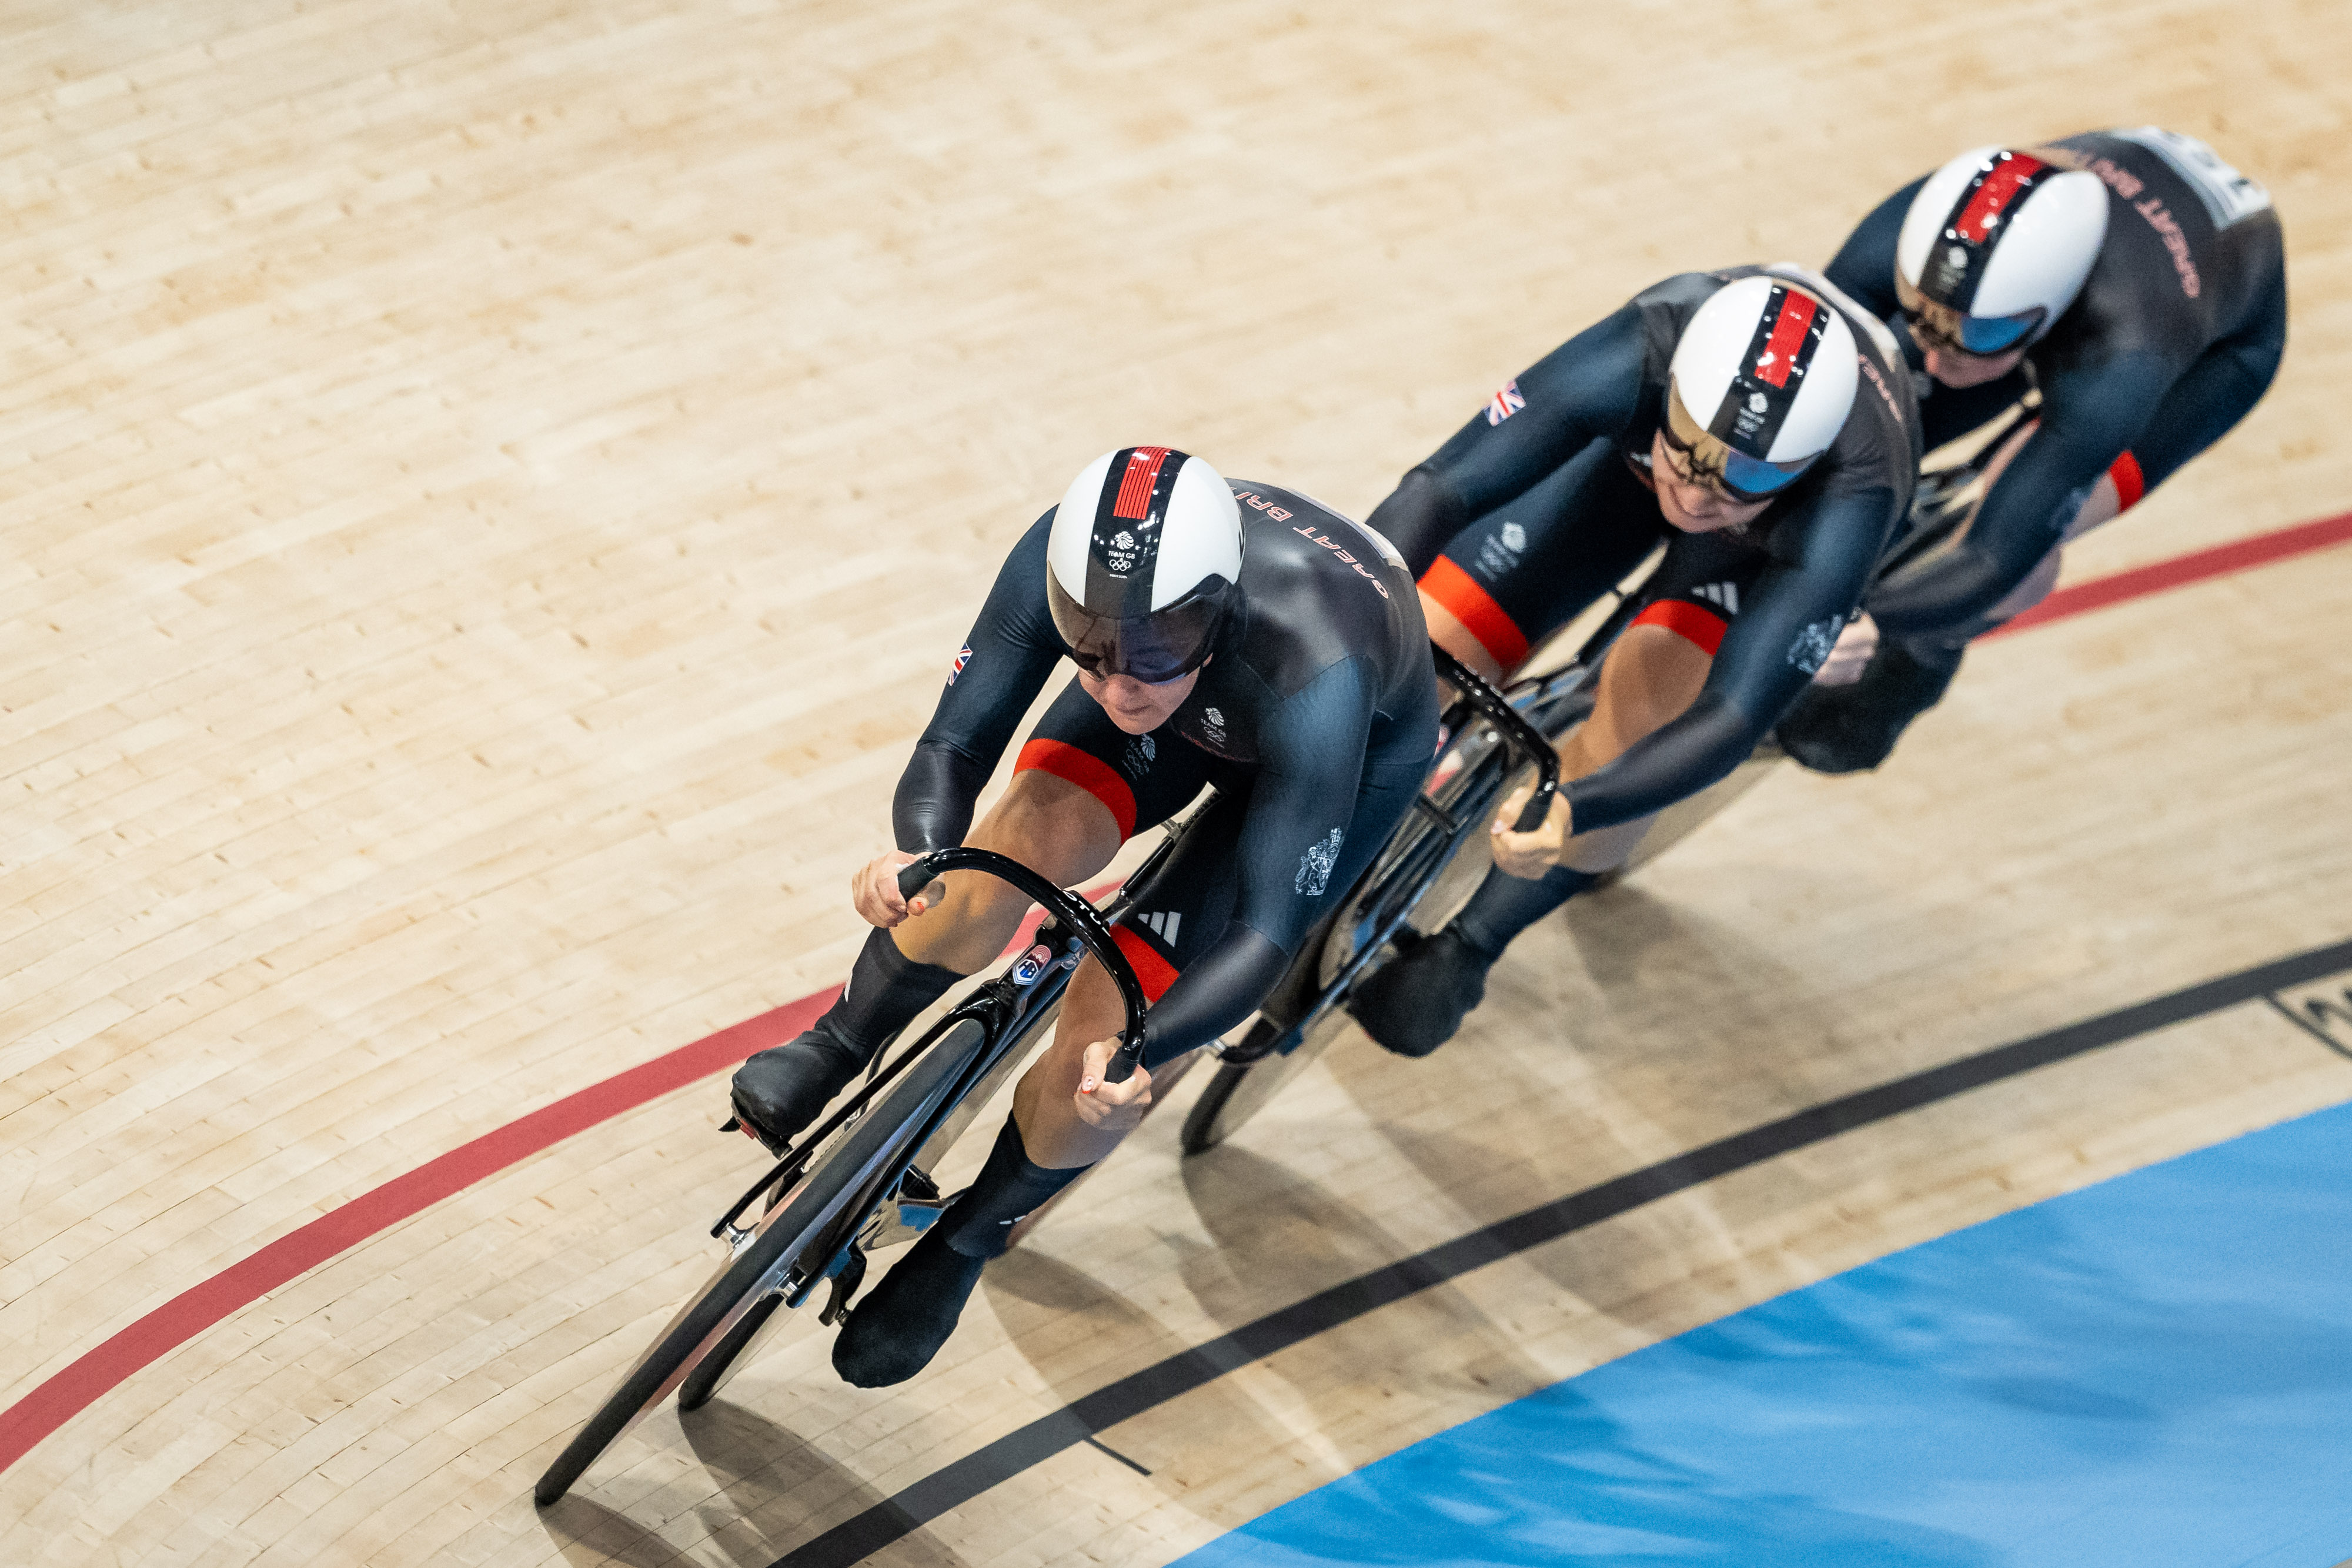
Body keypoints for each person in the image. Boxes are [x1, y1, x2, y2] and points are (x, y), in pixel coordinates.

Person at [730, 446, 1437, 1386]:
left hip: (1329, 754)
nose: (1116, 686)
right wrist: (917, 854)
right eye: (1091, 653)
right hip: (1204, 699)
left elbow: (1264, 933)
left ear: (1217, 611)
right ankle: (841, 1037)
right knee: (990, 863)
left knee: (1107, 1045)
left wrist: (1144, 1052)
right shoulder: (1083, 588)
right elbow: (954, 743)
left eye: (1148, 656)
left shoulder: (1321, 663)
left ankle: (966, 1240)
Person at [1345, 266, 1920, 1057]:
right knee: (1426, 648)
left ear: (1801, 467)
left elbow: (1733, 716)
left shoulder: (1855, 487)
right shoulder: (1643, 347)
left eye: (1744, 475)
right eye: (1689, 448)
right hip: (1623, 467)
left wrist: (1576, 808)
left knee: (1646, 717)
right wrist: (1356, 620)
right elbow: (1442, 486)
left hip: (1753, 550)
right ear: (1673, 386)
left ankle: (1474, 943)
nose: (1698, 489)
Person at [1778, 128, 2286, 770]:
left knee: (2030, 531)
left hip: (2209, 355)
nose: (1939, 355)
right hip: (2079, 259)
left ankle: (1924, 658)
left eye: (1976, 336)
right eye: (1924, 316)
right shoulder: (1906, 232)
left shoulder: (2127, 359)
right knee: (1865, 413)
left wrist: (1871, 622)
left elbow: (1991, 559)